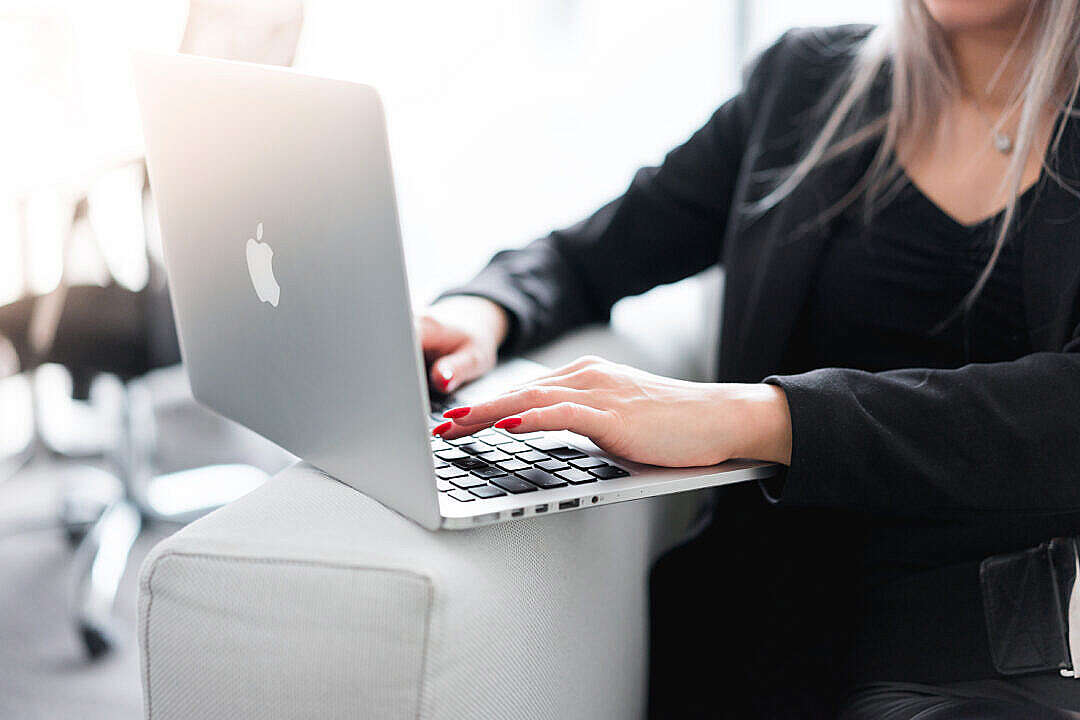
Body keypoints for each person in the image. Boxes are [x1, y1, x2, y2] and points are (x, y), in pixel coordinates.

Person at [420, 1, 1080, 718]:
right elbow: (588, 256)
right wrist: (482, 310)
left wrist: (763, 418)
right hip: (755, 626)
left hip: (973, 656)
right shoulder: (806, 81)